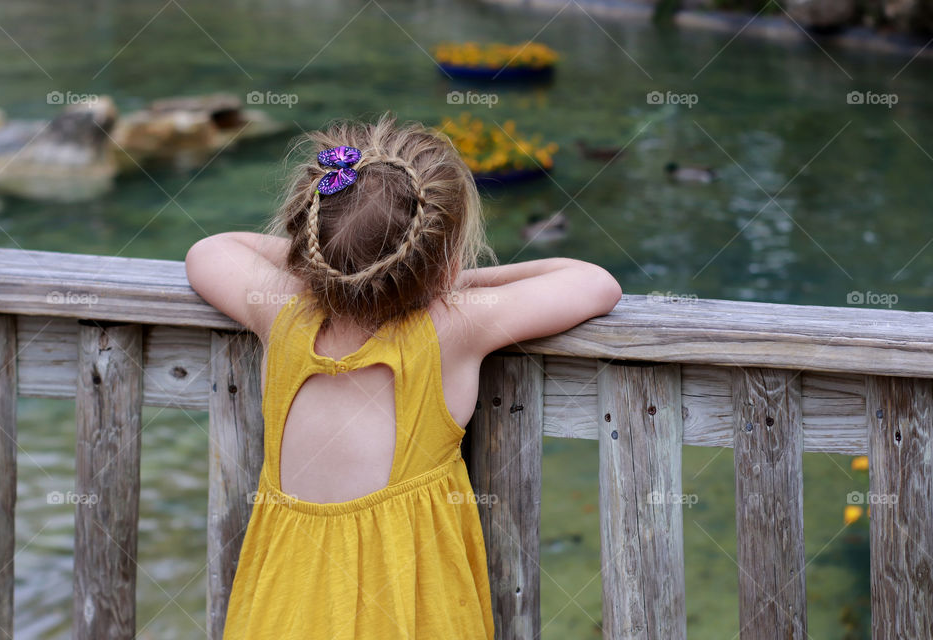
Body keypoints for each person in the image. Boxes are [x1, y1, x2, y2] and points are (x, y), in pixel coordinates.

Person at [185, 114, 621, 639]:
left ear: (308, 243)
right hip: (409, 610)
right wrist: (460, 283)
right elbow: (594, 283)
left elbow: (210, 250)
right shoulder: (451, 327)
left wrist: (327, 267)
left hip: (285, 606)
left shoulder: (283, 313)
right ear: (442, 262)